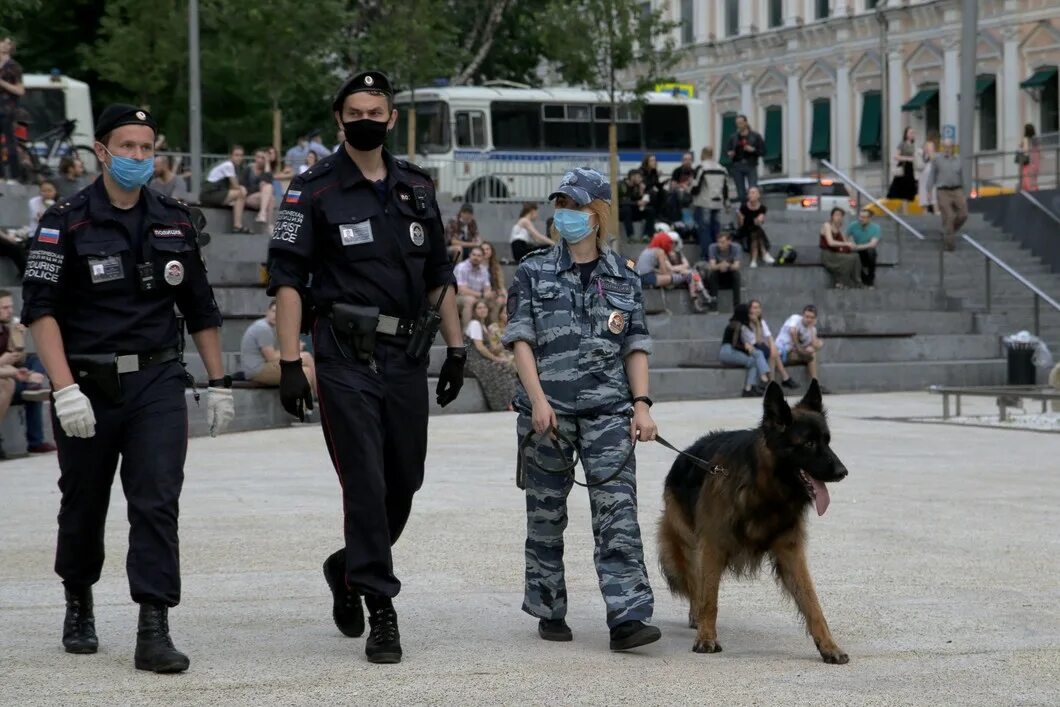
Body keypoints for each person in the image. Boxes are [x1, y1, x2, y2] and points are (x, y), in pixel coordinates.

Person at [20, 104, 235, 672]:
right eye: (128, 147)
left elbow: (200, 307)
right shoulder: (64, 220)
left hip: (157, 381)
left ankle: (154, 625)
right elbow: (40, 311)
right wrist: (63, 388)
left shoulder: (175, 219)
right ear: (102, 151)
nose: (139, 157)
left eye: (147, 148)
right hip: (87, 383)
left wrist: (218, 383)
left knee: (157, 501)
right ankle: (78, 599)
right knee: (83, 503)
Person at [266, 71, 466, 665]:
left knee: (405, 481)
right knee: (366, 482)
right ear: (339, 119)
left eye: (375, 111)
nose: (366, 120)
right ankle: (381, 604)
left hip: (406, 355)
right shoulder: (313, 189)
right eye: (355, 111)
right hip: (343, 355)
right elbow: (286, 280)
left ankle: (346, 567)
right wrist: (289, 363)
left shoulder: (417, 188)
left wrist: (457, 350)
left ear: (392, 118)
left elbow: (439, 277)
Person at [503, 166, 662, 652]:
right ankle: (549, 607)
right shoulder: (533, 270)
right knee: (546, 516)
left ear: (597, 214)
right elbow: (521, 339)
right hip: (546, 413)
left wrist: (641, 406)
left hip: (608, 411)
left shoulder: (624, 276)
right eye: (561, 205)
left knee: (618, 514)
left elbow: (634, 343)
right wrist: (537, 401)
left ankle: (628, 616)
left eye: (575, 206)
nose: (565, 215)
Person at [0, 290, 55, 458]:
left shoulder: (7, 328)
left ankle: (36, 443)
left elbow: (19, 359)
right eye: (4, 307)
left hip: (11, 374)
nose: (10, 310)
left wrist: (18, 338)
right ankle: (33, 384)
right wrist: (6, 362)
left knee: (36, 361)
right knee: (8, 383)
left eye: (11, 306)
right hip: (5, 379)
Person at [240, 299, 315, 390]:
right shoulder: (263, 328)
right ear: (267, 312)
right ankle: (317, 398)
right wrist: (295, 349)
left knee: (306, 364)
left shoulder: (274, 328)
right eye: (273, 311)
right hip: (257, 370)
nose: (275, 315)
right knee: (304, 367)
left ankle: (316, 398)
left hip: (264, 366)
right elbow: (271, 357)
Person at [464, 299, 517, 411]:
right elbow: (480, 347)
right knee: (501, 368)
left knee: (508, 366)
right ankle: (503, 404)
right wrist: (496, 359)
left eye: (484, 307)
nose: (483, 310)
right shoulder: (474, 324)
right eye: (479, 308)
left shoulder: (483, 326)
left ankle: (513, 401)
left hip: (481, 358)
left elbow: (490, 348)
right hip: (473, 361)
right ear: (474, 311)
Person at [719, 303, 770, 397]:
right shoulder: (737, 325)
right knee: (754, 359)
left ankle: (749, 388)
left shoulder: (737, 324)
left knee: (754, 360)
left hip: (730, 350)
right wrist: (746, 348)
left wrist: (747, 347)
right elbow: (735, 344)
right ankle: (764, 378)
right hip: (728, 351)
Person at [746, 299, 797, 389]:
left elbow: (769, 336)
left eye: (758, 307)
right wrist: (757, 324)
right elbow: (757, 341)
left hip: (759, 346)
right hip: (750, 348)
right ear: (749, 309)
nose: (757, 310)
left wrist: (773, 348)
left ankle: (773, 382)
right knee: (772, 353)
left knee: (773, 353)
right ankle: (784, 378)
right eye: (754, 308)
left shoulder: (762, 321)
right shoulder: (747, 322)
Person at [776, 305, 826, 390]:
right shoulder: (795, 318)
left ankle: (815, 384)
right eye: (807, 317)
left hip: (794, 354)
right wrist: (799, 348)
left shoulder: (812, 329)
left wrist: (811, 329)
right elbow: (792, 332)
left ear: (815, 319)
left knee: (815, 348)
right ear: (803, 316)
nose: (809, 319)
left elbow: (815, 345)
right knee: (810, 350)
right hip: (782, 351)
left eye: (812, 317)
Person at [199, 146, 249, 233]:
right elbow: (235, 185)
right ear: (231, 156)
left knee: (239, 195)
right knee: (241, 193)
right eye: (236, 155)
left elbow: (231, 187)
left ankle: (237, 225)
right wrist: (243, 188)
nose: (239, 158)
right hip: (209, 194)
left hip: (213, 193)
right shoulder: (228, 165)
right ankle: (237, 225)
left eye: (241, 155)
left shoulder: (231, 166)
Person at [691, 147, 729, 260]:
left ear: (702, 155)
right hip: (718, 203)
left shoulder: (701, 168)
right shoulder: (722, 168)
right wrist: (727, 203)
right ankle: (717, 255)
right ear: (712, 155)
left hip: (704, 202)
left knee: (704, 230)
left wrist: (690, 191)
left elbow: (695, 187)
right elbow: (725, 188)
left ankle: (707, 255)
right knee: (716, 230)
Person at [934, 138, 967, 252]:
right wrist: (929, 190)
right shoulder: (938, 159)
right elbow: (932, 175)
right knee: (949, 216)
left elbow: (962, 176)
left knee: (963, 214)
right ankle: (950, 246)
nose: (947, 149)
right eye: (945, 147)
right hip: (943, 191)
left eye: (949, 147)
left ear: (953, 147)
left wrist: (965, 191)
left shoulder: (958, 159)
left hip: (957, 190)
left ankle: (949, 231)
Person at [725, 114, 765, 204]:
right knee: (741, 194)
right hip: (737, 165)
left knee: (753, 191)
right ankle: (744, 212)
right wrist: (729, 153)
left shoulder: (755, 136)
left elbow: (763, 151)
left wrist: (753, 150)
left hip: (750, 164)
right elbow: (727, 150)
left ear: (746, 123)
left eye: (741, 123)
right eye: (737, 123)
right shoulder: (733, 137)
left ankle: (754, 210)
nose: (739, 125)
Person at [0, 36, 24, 184]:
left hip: (7, 109)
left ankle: (15, 175)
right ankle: (1, 176)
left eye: (6, 43)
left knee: (10, 142)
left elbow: (20, 90)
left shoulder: (14, 67)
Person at [819, 207, 861, 289]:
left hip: (836, 254)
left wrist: (852, 245)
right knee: (850, 259)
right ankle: (842, 282)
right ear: (832, 216)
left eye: (841, 215)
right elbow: (831, 243)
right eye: (836, 215)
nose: (839, 217)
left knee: (856, 256)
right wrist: (846, 244)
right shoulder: (827, 225)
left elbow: (844, 242)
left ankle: (857, 281)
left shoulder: (838, 228)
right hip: (828, 255)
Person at [455, 245, 493, 325]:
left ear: (482, 258)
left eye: (479, 256)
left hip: (478, 297)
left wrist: (488, 293)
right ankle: (467, 334)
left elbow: (487, 288)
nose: (475, 257)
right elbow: (461, 290)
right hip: (458, 297)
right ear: (469, 255)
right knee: (470, 300)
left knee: (497, 301)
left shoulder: (484, 270)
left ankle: (492, 333)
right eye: (474, 254)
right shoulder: (462, 267)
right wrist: (482, 294)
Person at [704, 231, 742, 312]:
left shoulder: (736, 247)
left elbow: (736, 266)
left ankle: (737, 307)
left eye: (722, 242)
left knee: (736, 275)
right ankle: (713, 306)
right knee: (713, 274)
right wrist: (720, 265)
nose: (720, 245)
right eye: (718, 242)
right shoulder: (712, 247)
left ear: (729, 241)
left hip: (730, 273)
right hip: (718, 274)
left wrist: (728, 265)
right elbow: (712, 266)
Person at [736, 186, 772, 267]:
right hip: (744, 231)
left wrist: (757, 220)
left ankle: (754, 260)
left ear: (758, 195)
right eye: (749, 193)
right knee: (755, 230)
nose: (751, 195)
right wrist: (741, 217)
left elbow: (759, 222)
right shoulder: (743, 207)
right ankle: (764, 253)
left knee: (755, 231)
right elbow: (742, 224)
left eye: (753, 193)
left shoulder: (762, 208)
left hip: (754, 231)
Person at [847, 208, 881, 288]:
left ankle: (871, 277)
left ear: (869, 218)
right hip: (857, 251)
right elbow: (845, 238)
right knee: (852, 256)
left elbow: (873, 244)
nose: (860, 219)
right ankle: (866, 280)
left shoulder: (876, 228)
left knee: (871, 251)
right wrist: (850, 243)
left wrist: (857, 246)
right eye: (860, 216)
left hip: (866, 251)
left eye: (863, 217)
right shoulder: (853, 225)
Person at [241, 149, 275, 228]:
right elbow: (242, 185)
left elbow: (268, 180)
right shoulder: (248, 169)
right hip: (248, 196)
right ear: (255, 158)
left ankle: (263, 216)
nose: (260, 160)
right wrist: (260, 187)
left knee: (271, 197)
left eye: (263, 158)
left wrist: (267, 163)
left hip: (261, 198)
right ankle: (269, 224)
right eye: (258, 157)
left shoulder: (266, 170)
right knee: (269, 192)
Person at [618, 170, 655, 241]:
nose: (641, 179)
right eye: (639, 177)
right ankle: (630, 236)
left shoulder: (638, 186)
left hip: (633, 212)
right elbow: (621, 202)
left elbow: (638, 201)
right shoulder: (621, 185)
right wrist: (636, 203)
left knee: (650, 210)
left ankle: (647, 235)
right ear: (632, 177)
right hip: (621, 212)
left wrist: (641, 192)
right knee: (627, 208)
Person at [886, 127, 919, 207]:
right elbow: (896, 156)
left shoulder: (913, 144)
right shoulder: (902, 143)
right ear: (906, 134)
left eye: (913, 133)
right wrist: (907, 158)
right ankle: (900, 209)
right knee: (901, 189)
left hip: (910, 168)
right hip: (903, 167)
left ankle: (906, 209)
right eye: (910, 133)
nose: (912, 134)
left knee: (909, 190)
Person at [480, 242, 507, 316]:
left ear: (491, 251)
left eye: (487, 249)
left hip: (495, 293)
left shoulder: (496, 267)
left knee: (503, 300)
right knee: (496, 302)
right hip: (481, 294)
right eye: (482, 249)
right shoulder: (477, 265)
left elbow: (501, 286)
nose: (485, 251)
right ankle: (493, 325)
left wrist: (505, 296)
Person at [1019, 124, 1040, 193]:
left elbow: (1025, 152)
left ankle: (1029, 194)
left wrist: (1020, 146)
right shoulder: (1036, 140)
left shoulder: (1025, 139)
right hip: (1036, 162)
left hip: (1028, 163)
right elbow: (1039, 151)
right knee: (1034, 180)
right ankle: (1035, 191)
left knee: (1026, 180)